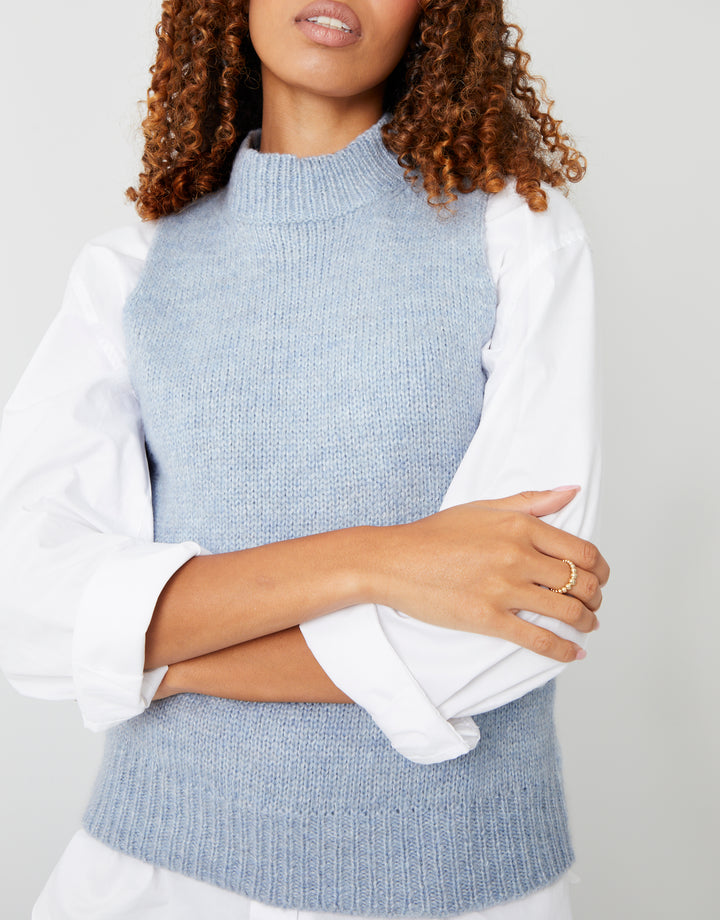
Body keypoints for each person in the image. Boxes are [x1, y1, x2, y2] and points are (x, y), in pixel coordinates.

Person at [0, 1, 610, 917]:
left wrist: (145, 652)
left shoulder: (517, 235)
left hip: (458, 883)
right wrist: (375, 559)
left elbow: (516, 620)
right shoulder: (130, 271)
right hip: (153, 877)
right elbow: (25, 604)